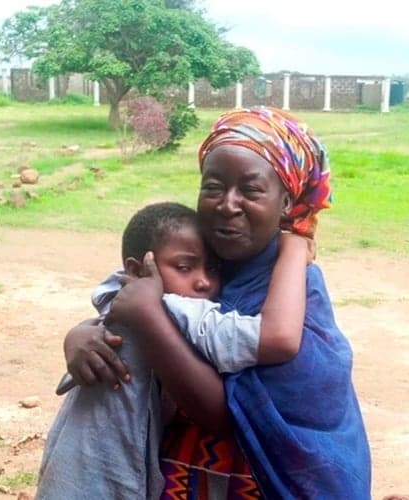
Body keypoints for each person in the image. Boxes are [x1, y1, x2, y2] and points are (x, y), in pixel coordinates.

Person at [65, 107, 372, 499]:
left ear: (285, 202)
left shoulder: (295, 289)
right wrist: (81, 334)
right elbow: (129, 303)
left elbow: (227, 417)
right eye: (213, 186)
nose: (228, 204)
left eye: (251, 189)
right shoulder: (204, 264)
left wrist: (147, 318)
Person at [37, 201, 313, 499]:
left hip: (68, 472)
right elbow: (271, 337)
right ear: (138, 270)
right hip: (100, 482)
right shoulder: (168, 307)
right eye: (184, 267)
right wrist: (294, 251)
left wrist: (78, 333)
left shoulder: (124, 297)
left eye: (213, 268)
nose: (203, 281)